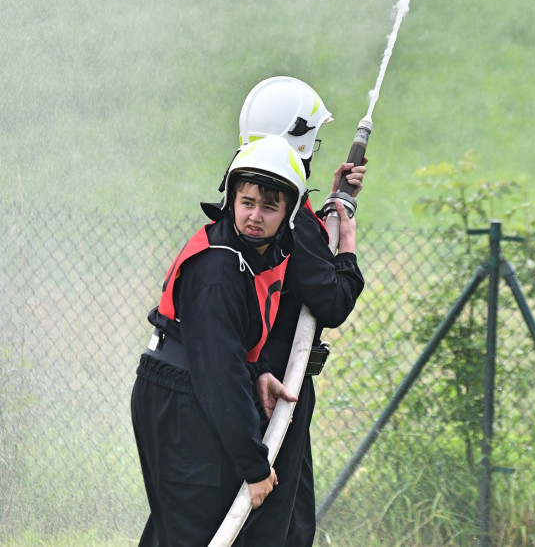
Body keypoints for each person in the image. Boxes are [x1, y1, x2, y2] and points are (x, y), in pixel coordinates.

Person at [131, 135, 332, 547]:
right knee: (198, 533)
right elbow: (219, 376)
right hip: (182, 400)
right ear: (231, 200)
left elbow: (230, 352)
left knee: (198, 532)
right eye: (247, 202)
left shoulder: (251, 255)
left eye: (269, 206)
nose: (255, 216)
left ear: (288, 212)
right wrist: (254, 467)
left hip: (195, 391)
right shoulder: (219, 271)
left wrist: (258, 373)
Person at [236, 76, 366, 547]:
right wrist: (347, 246)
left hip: (250, 380)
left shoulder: (249, 202)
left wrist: (332, 200)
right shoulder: (290, 220)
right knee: (279, 524)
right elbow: (332, 301)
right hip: (277, 391)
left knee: (285, 518)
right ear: (303, 140)